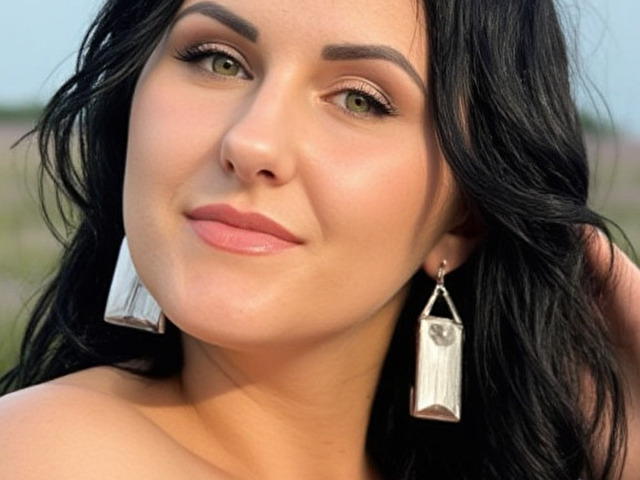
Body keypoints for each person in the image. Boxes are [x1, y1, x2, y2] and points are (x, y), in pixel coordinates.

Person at [0, 0, 638, 478]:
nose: (252, 143)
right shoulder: (45, 453)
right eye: (218, 60)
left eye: (359, 100)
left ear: (462, 219)